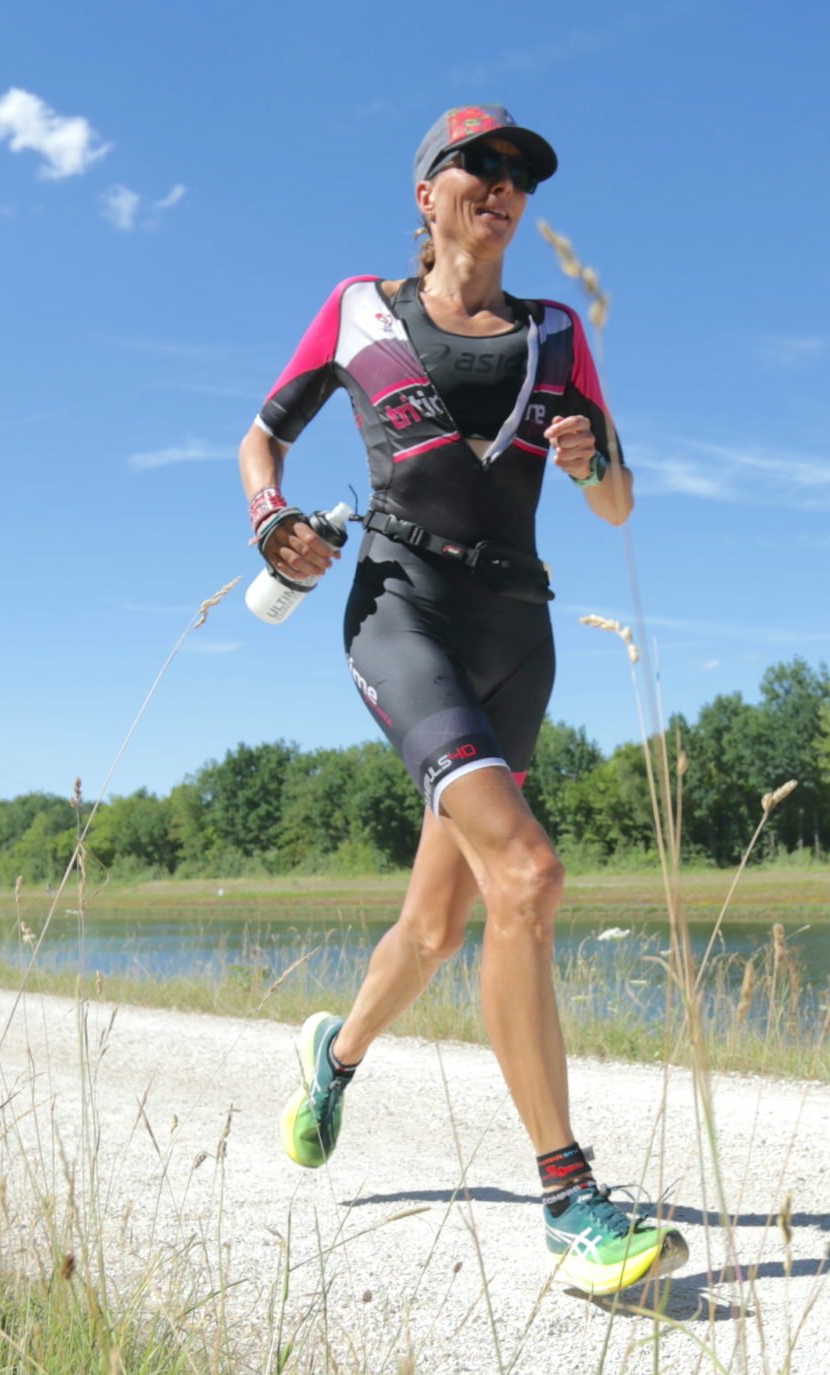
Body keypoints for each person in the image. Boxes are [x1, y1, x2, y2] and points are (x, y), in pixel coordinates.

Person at [237, 106, 676, 1297]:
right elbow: (258, 441)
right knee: (527, 874)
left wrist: (591, 462)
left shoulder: (555, 332)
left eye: (520, 175)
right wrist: (271, 521)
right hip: (402, 617)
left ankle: (334, 1054)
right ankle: (571, 1200)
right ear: (426, 192)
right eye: (479, 166)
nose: (503, 185)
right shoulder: (359, 311)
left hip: (517, 637)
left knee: (436, 928)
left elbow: (618, 503)